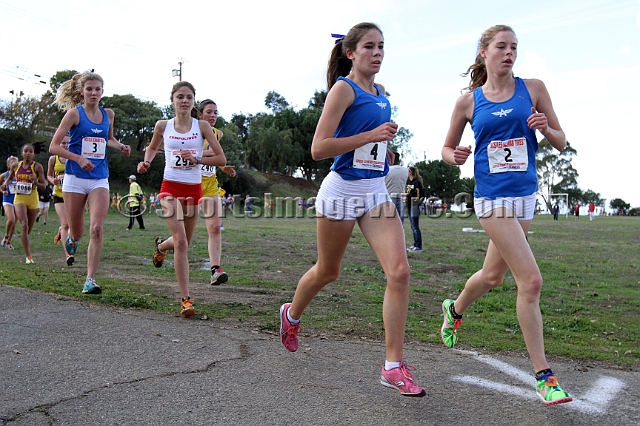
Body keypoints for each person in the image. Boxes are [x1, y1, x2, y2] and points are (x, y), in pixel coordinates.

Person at [278, 23, 425, 397]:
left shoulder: (381, 94)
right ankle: (291, 315)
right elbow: (319, 148)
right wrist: (370, 137)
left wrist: (383, 151)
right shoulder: (343, 89)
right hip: (341, 191)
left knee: (400, 271)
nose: (377, 53)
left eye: (382, 47)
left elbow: (370, 144)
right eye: (370, 47)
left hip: (374, 190)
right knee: (328, 271)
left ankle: (393, 366)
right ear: (351, 53)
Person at [440, 25, 572, 405]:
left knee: (493, 276)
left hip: (524, 197)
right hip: (491, 199)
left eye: (514, 47)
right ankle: (545, 376)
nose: (509, 53)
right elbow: (447, 149)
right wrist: (456, 156)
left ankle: (455, 308)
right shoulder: (469, 102)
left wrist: (546, 129)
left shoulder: (534, 89)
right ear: (484, 52)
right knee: (530, 281)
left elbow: (562, 142)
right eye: (501, 46)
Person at [137, 81, 226, 317]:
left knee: (183, 240)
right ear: (172, 100)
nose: (184, 101)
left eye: (188, 97)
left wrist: (197, 159)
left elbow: (221, 159)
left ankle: (159, 247)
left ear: (193, 101)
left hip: (194, 189)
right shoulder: (163, 125)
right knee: (182, 241)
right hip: (169, 188)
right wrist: (146, 161)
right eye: (180, 97)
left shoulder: (203, 127)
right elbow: (153, 148)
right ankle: (186, 299)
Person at [49, 71, 132, 295]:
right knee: (77, 232)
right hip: (75, 179)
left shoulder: (109, 114)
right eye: (89, 89)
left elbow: (109, 139)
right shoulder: (73, 115)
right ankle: (72, 240)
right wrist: (78, 158)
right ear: (82, 92)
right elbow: (54, 146)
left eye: (97, 90)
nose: (93, 93)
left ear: (102, 92)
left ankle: (90, 279)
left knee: (96, 228)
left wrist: (121, 146)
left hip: (99, 178)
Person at [197, 99, 236, 285]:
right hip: (191, 183)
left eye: (215, 112)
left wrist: (224, 167)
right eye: (209, 112)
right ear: (200, 113)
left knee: (214, 227)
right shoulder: (191, 130)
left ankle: (215, 270)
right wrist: (209, 156)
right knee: (183, 236)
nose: (213, 116)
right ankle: (162, 246)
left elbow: (216, 156)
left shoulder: (217, 134)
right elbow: (185, 153)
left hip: (210, 185)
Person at [0, 144, 47, 263]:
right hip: (19, 198)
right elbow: (10, 178)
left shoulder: (37, 167)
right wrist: (5, 184)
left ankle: (21, 242)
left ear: (34, 154)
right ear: (22, 153)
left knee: (27, 230)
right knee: (24, 225)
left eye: (30, 151)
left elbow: (44, 185)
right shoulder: (16, 165)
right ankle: (28, 256)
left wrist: (34, 181)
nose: (27, 153)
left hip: (32, 199)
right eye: (25, 151)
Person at [47, 134, 75, 266]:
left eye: (67, 143)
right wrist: (53, 180)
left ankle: (61, 232)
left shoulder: (75, 156)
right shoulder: (53, 159)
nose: (65, 145)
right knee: (66, 224)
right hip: (58, 194)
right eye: (62, 143)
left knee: (73, 224)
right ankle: (68, 254)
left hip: (73, 195)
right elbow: (49, 175)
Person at [384, 151, 408, 226]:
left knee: (389, 220)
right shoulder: (405, 170)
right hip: (400, 196)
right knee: (400, 220)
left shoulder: (388, 170)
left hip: (389, 196)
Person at [0, 156, 19, 250]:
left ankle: (8, 241)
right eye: (12, 163)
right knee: (11, 219)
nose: (15, 165)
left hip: (18, 200)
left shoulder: (21, 175)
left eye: (16, 163)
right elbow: (0, 186)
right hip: (7, 199)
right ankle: (6, 236)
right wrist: (3, 191)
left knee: (14, 222)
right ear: (8, 165)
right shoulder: (5, 175)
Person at [406, 166, 424, 252]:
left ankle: (418, 245)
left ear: (410, 172)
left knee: (415, 226)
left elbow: (420, 194)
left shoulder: (416, 182)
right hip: (409, 206)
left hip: (414, 206)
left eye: (407, 171)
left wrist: (415, 203)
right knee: (413, 226)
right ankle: (415, 244)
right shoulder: (410, 182)